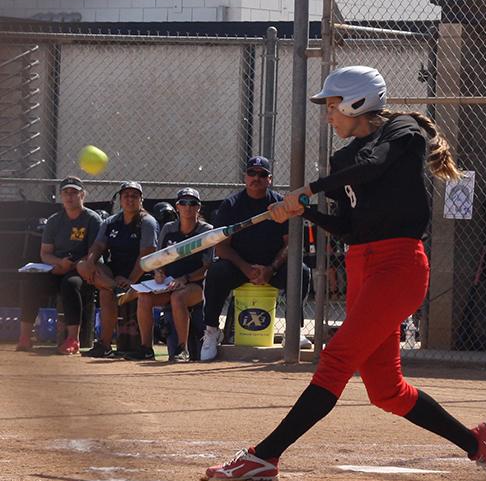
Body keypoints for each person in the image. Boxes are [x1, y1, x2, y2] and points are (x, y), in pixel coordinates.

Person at [205, 66, 486, 481]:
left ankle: (264, 456)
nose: (329, 115)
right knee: (387, 391)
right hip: (362, 264)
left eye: (333, 105)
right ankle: (478, 444)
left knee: (335, 360)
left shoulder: (402, 133)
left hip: (399, 266)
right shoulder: (344, 157)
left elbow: (374, 165)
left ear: (356, 102)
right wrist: (304, 211)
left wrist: (308, 191)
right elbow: (350, 227)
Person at [200, 155, 312, 361]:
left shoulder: (280, 203)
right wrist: (245, 268)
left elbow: (291, 244)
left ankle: (294, 331)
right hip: (239, 266)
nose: (256, 178)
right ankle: (211, 331)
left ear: (269, 179)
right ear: (245, 177)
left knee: (302, 270)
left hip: (274, 267)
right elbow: (222, 247)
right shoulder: (231, 205)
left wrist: (271, 267)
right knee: (216, 271)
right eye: (251, 173)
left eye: (262, 174)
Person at [124, 188, 214, 362]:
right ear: (177, 207)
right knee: (144, 297)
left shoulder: (206, 230)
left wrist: (185, 279)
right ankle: (146, 348)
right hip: (168, 283)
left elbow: (207, 268)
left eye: (192, 203)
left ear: (199, 208)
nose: (188, 207)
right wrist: (159, 272)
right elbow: (160, 260)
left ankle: (182, 349)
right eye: (183, 203)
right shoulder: (168, 228)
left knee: (178, 298)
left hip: (196, 285)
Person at [16, 176, 102, 355]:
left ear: (82, 195)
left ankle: (73, 340)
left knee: (70, 284)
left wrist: (74, 264)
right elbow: (45, 253)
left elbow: (95, 251)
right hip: (58, 268)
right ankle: (24, 338)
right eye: (66, 193)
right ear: (61, 196)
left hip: (82, 270)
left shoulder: (92, 219)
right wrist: (58, 263)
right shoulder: (54, 220)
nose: (70, 196)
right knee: (31, 282)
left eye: (74, 192)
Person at [77, 181, 159, 358]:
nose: (130, 199)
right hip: (114, 277)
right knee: (82, 265)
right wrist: (91, 261)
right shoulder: (111, 221)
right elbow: (98, 245)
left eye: (134, 196)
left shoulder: (147, 222)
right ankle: (104, 346)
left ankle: (144, 348)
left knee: (105, 292)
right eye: (126, 196)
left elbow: (146, 256)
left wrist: (131, 280)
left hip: (141, 276)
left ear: (141, 200)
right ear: (120, 200)